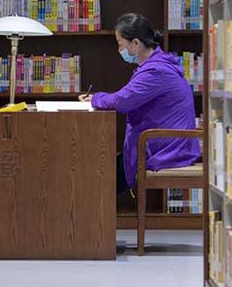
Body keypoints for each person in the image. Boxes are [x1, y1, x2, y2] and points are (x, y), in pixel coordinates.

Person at [80, 13, 200, 195]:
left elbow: (123, 100)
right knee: (102, 172)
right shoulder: (159, 64)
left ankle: (95, 220)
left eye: (120, 43)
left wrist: (97, 98)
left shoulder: (155, 71)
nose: (119, 49)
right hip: (169, 143)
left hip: (166, 149)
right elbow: (126, 96)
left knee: (99, 178)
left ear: (135, 44)